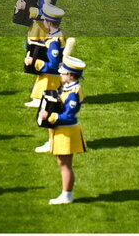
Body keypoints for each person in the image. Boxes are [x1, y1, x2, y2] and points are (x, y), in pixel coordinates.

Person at [39, 56, 87, 205]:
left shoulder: (73, 92)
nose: (60, 74)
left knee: (65, 164)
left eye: (63, 73)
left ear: (71, 75)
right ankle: (66, 194)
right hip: (62, 130)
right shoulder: (67, 88)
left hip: (67, 131)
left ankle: (67, 195)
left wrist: (50, 116)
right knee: (62, 163)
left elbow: (68, 115)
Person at [26, 4, 67, 156]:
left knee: (50, 111)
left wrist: (37, 63)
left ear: (49, 23)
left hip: (53, 78)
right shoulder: (55, 36)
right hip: (54, 78)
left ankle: (53, 143)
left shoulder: (54, 40)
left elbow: (53, 65)